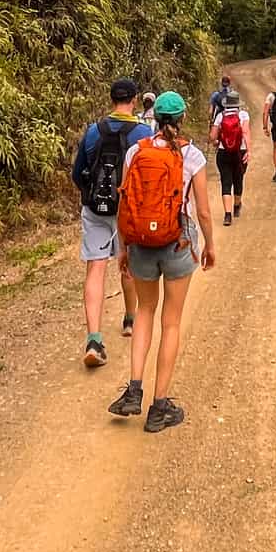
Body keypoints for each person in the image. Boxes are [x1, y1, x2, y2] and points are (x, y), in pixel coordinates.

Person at [109, 92, 217, 432]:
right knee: (170, 323)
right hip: (177, 242)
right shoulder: (192, 155)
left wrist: (123, 248)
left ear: (154, 118)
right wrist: (210, 245)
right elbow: (201, 210)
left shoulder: (135, 152)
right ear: (183, 118)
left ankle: (133, 390)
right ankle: (159, 407)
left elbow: (125, 204)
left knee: (144, 311)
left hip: (140, 242)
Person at [70, 78, 151, 369]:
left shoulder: (93, 131)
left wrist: (88, 196)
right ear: (135, 99)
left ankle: (94, 339)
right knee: (126, 262)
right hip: (127, 208)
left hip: (95, 208)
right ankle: (130, 319)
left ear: (112, 99)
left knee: (96, 267)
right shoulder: (143, 132)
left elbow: (77, 173)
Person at [208, 89, 250, 225]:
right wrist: (249, 151)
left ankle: (227, 215)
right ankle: (236, 206)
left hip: (223, 152)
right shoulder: (243, 115)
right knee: (238, 179)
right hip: (240, 152)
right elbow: (246, 132)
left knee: (226, 182)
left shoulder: (220, 116)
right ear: (238, 104)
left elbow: (213, 136)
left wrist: (217, 141)